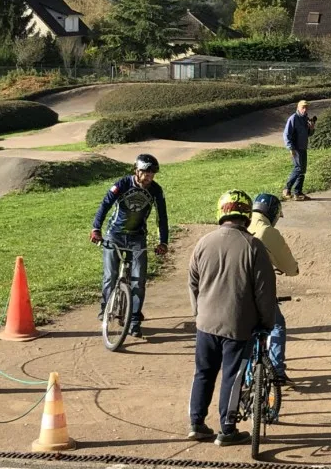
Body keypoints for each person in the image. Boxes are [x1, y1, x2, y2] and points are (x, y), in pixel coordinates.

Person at [187, 190, 278, 446]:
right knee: (232, 375)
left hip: (205, 322)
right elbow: (265, 292)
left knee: (203, 372)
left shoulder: (203, 242)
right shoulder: (254, 246)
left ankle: (196, 423)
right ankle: (227, 429)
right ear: (246, 216)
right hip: (238, 324)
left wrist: (199, 312)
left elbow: (192, 282)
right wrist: (266, 322)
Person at [90, 153, 168, 338]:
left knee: (139, 279)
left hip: (137, 238)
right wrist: (96, 228)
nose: (148, 176)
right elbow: (105, 204)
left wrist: (163, 241)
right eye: (145, 172)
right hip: (114, 235)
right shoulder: (122, 184)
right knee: (111, 275)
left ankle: (134, 320)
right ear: (136, 171)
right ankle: (105, 308)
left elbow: (162, 217)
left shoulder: (156, 191)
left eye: (152, 173)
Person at [248, 192, 298, 385]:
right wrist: (292, 269)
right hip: (260, 290)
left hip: (235, 289)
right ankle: (276, 370)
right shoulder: (267, 231)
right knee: (277, 325)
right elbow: (288, 265)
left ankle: (245, 372)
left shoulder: (243, 223)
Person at [283, 100, 316, 201]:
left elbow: (308, 134)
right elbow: (286, 134)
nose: (305, 109)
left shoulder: (305, 119)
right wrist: (290, 147)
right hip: (295, 148)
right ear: (298, 108)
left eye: (306, 107)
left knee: (302, 170)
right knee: (298, 168)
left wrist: (311, 128)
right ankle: (286, 189)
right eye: (303, 107)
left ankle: (297, 193)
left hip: (303, 147)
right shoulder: (293, 118)